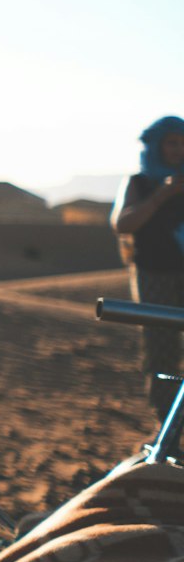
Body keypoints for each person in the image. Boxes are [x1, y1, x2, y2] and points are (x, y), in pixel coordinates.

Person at [113, 115, 184, 413]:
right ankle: (165, 423)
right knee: (161, 350)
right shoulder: (139, 183)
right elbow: (123, 224)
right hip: (155, 276)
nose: (178, 150)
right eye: (172, 143)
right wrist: (161, 196)